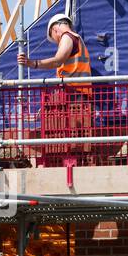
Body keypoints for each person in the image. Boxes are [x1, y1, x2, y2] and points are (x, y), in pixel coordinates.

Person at [17, 13, 93, 162]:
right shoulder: (76, 38)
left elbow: (58, 60)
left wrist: (32, 63)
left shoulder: (67, 36)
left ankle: (70, 158)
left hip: (75, 93)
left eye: (54, 36)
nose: (57, 40)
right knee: (77, 135)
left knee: (72, 135)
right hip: (79, 93)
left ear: (56, 28)